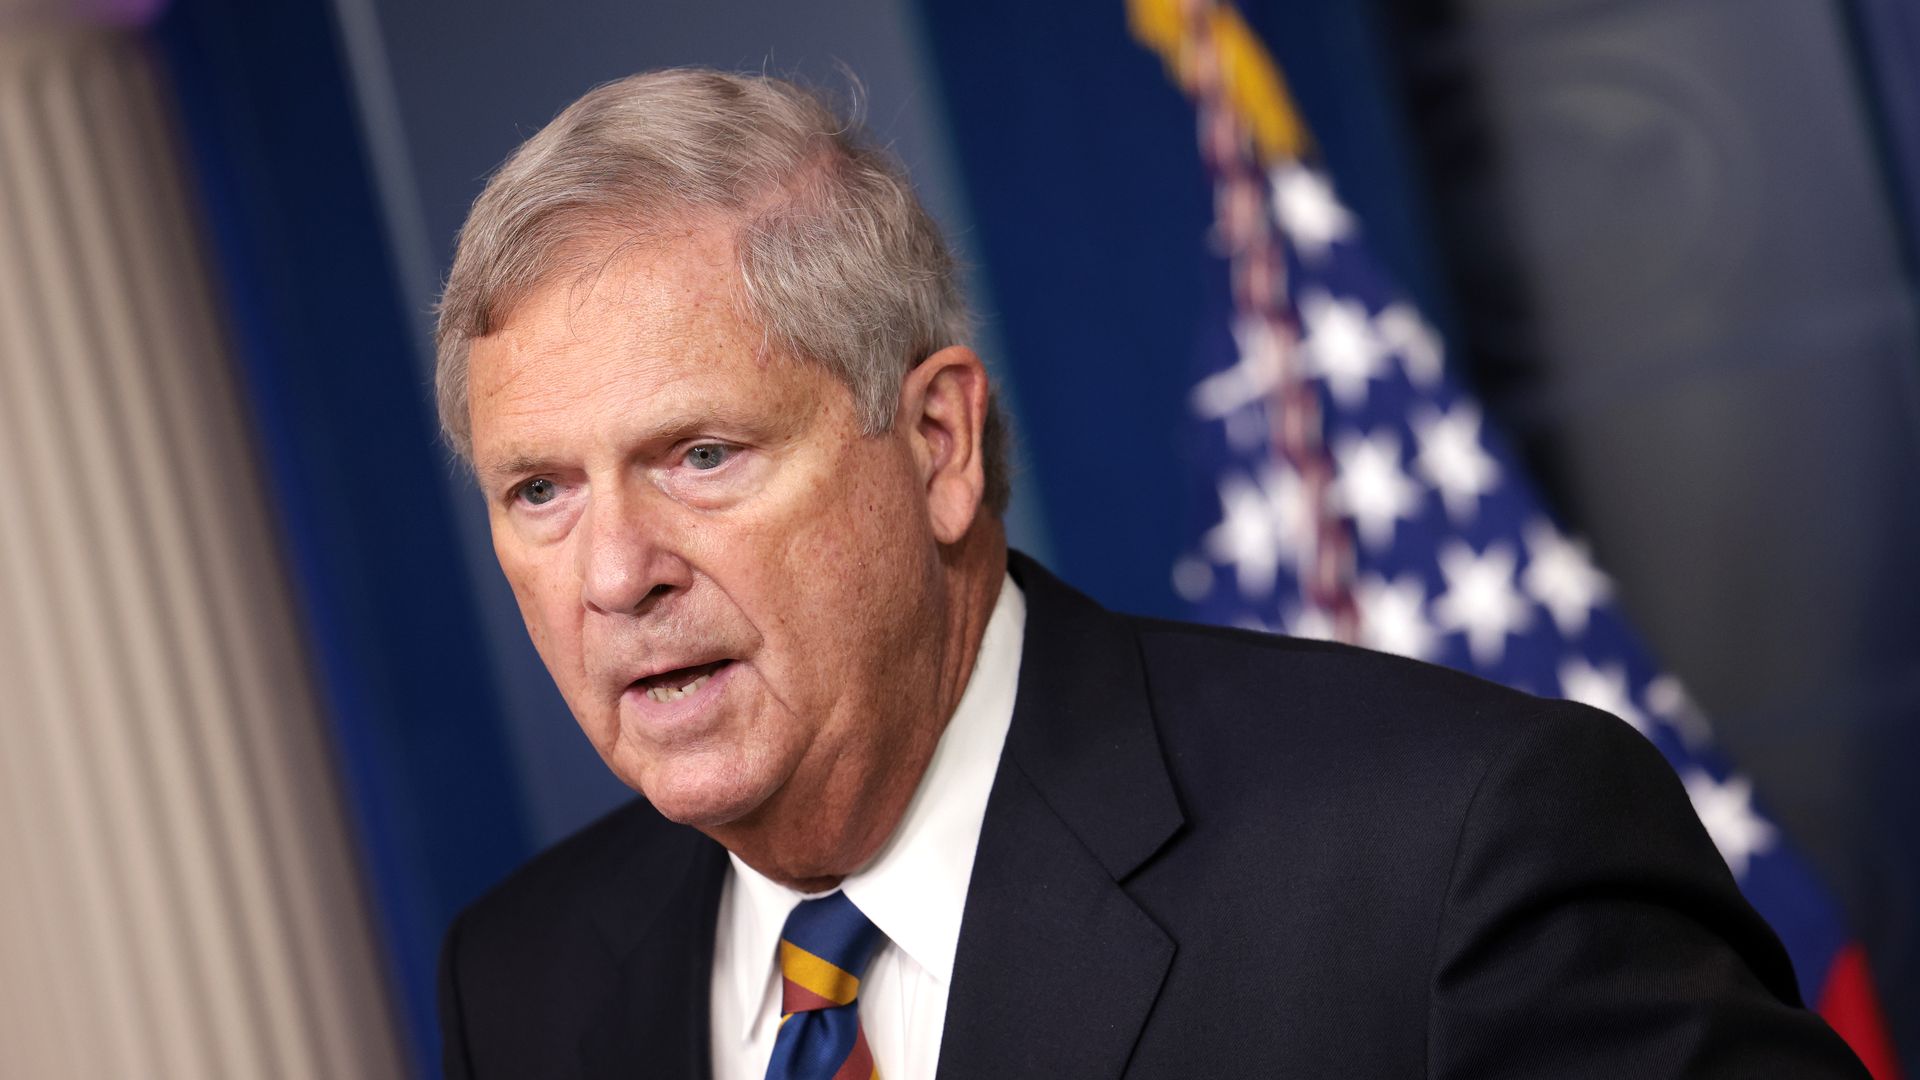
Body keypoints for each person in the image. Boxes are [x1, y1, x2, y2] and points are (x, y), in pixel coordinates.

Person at [432, 69, 1866, 1079]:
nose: (614, 573)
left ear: (936, 443)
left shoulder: (1450, 863)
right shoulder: (526, 982)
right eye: (540, 491)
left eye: (699, 457)